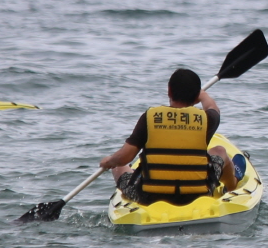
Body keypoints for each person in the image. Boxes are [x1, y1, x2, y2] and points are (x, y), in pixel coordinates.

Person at [98, 68, 237, 202]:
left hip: (150, 197)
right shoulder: (207, 119)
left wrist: (109, 161)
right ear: (196, 97)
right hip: (198, 193)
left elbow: (124, 157)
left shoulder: (149, 118)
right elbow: (213, 108)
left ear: (169, 91)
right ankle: (232, 188)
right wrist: (203, 95)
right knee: (220, 151)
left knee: (118, 166)